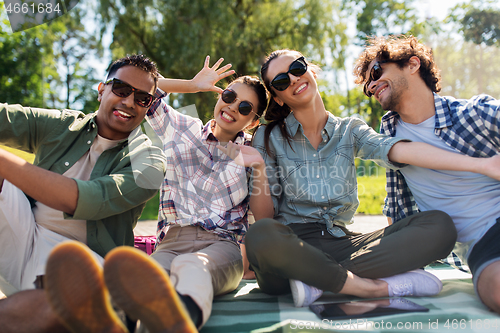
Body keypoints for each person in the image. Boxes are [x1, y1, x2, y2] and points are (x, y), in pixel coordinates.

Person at [243, 49, 500, 309]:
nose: (294, 79)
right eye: (281, 82)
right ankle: (371, 286)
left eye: (296, 69)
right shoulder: (268, 137)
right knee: (260, 234)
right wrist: (258, 167)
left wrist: (483, 165)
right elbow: (265, 217)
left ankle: (318, 281)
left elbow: (397, 150)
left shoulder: (350, 130)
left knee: (440, 226)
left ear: (310, 70)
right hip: (292, 247)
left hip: (342, 243)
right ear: (279, 97)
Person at [43, 56, 269, 333]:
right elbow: (144, 88)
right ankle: (121, 321)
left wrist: (258, 167)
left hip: (222, 247)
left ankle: (180, 320)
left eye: (244, 107)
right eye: (230, 95)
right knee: (146, 276)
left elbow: (264, 217)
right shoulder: (184, 129)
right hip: (171, 242)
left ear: (252, 121)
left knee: (192, 266)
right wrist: (193, 85)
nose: (233, 107)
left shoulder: (254, 153)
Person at [0, 54, 166, 333]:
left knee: (65, 305)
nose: (129, 102)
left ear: (148, 107)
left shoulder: (150, 161)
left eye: (142, 99)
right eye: (122, 90)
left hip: (86, 263)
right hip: (22, 237)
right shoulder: (64, 126)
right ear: (102, 89)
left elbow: (86, 198)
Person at [353, 35, 500, 314]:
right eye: (368, 87)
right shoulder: (389, 138)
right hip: (482, 245)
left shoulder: (471, 114)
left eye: (376, 72)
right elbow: (396, 208)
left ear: (412, 64)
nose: (371, 85)